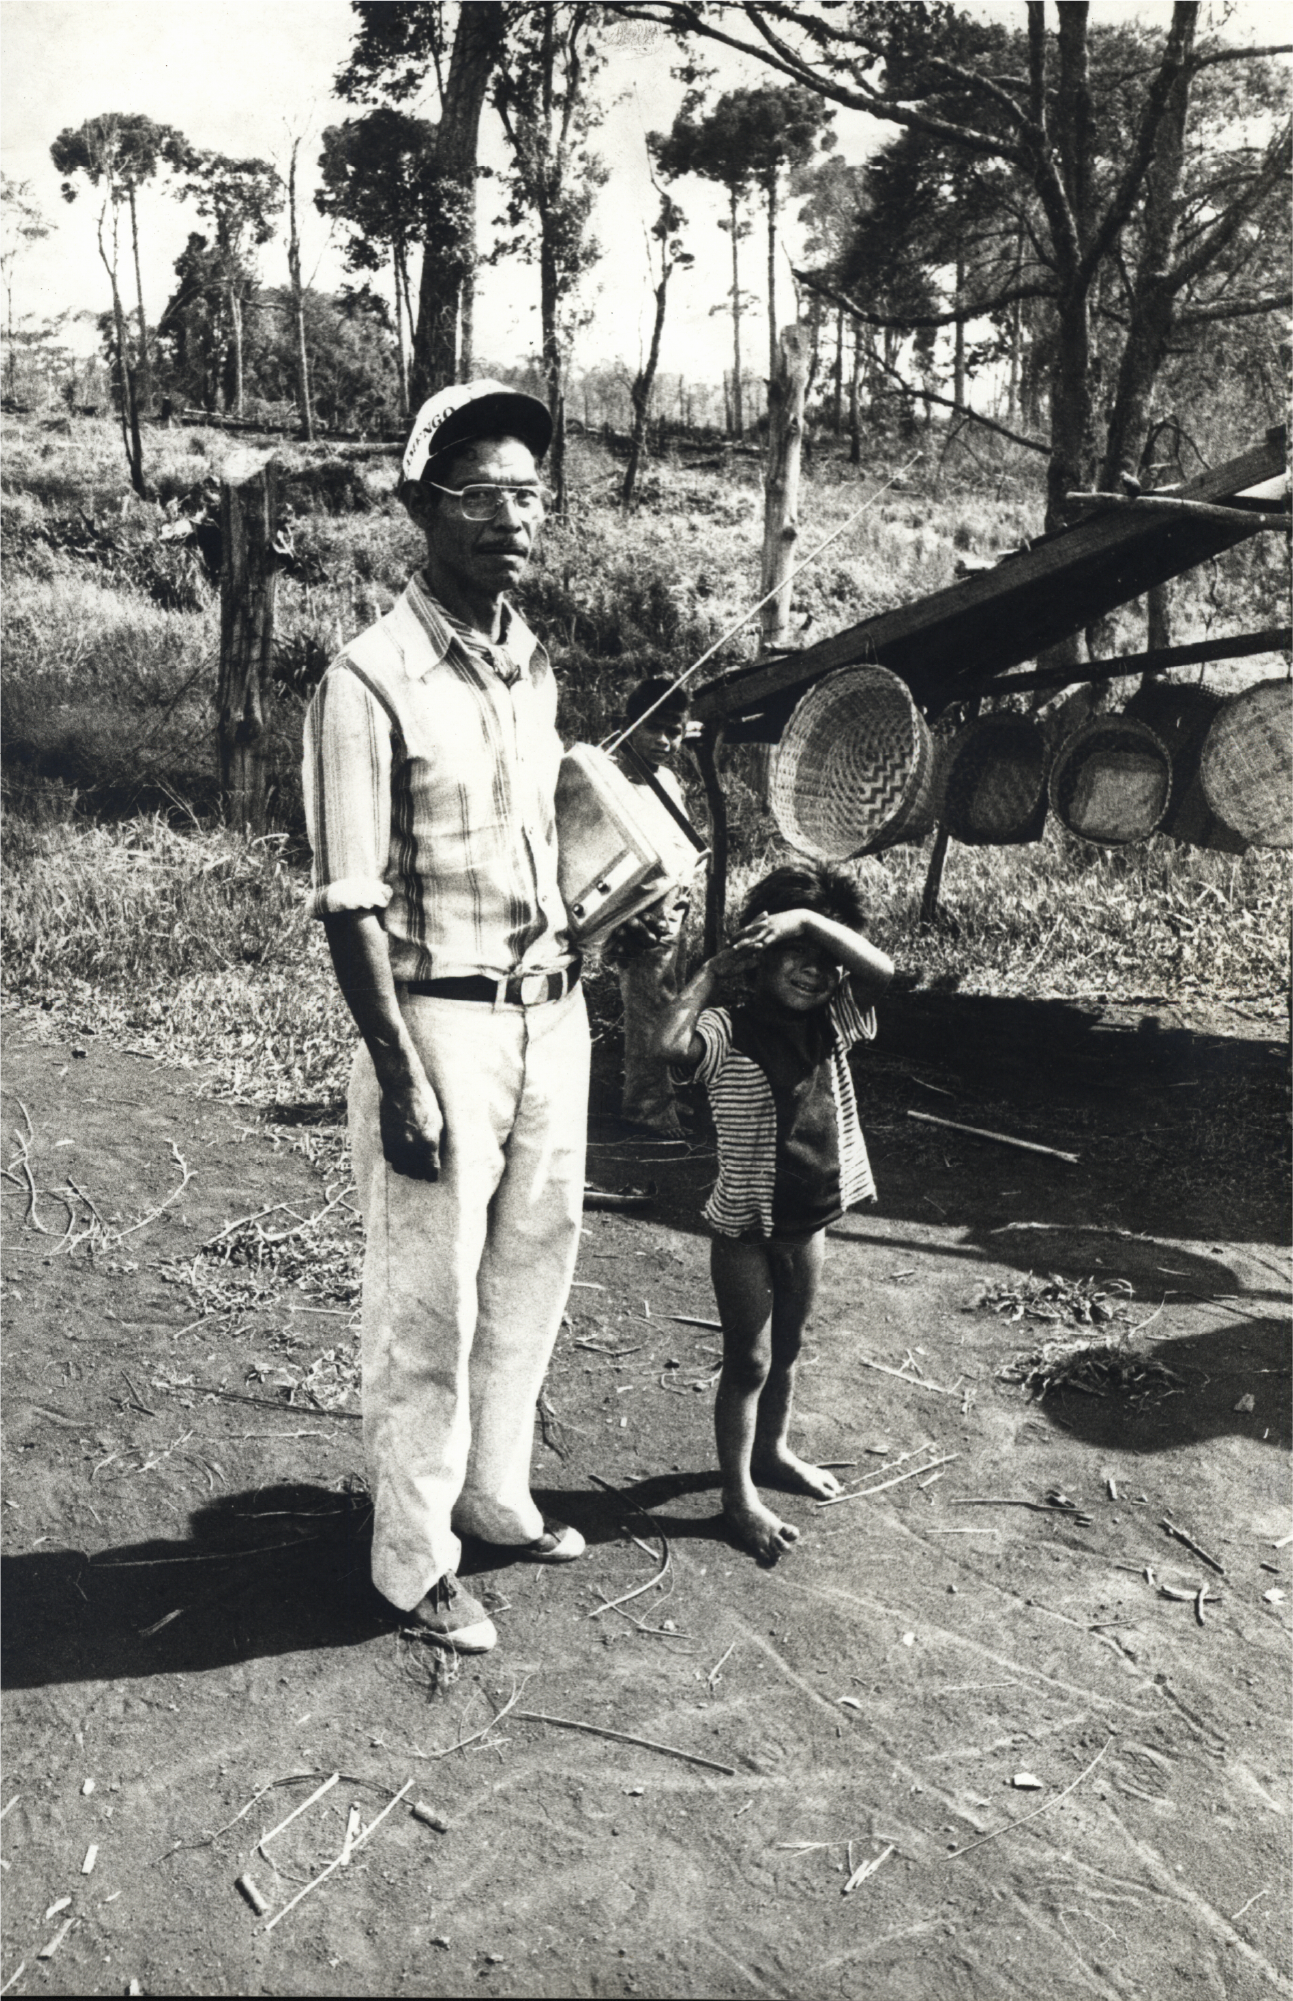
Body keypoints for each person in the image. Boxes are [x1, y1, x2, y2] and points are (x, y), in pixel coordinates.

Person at [302, 379, 590, 1655]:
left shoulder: (531, 663)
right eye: (479, 495)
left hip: (550, 1015)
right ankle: (412, 1561)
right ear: (422, 509)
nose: (510, 517)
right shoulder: (368, 679)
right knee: (429, 1303)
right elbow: (350, 901)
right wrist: (401, 1070)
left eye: (528, 494)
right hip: (441, 1026)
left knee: (532, 1266)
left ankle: (493, 1494)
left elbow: (535, 846)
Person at [655, 863, 894, 1563]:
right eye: (795, 953)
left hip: (810, 1221)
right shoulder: (727, 1028)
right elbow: (668, 1043)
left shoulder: (833, 1019)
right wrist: (712, 970)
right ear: (758, 953)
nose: (814, 972)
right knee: (750, 1361)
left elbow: (880, 972)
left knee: (788, 1348)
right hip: (745, 1229)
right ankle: (737, 1497)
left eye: (826, 959)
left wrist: (808, 922)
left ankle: (773, 1450)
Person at [609, 676, 695, 1136]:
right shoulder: (609, 776)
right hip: (634, 913)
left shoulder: (667, 780)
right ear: (630, 724)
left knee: (667, 1001)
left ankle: (663, 1095)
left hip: (671, 906)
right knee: (649, 1010)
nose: (663, 741)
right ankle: (647, 1107)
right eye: (653, 728)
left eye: (674, 731)